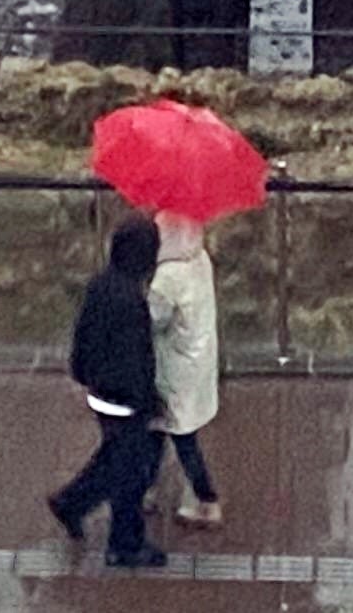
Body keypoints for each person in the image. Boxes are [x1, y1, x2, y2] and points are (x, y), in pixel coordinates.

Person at [48, 218, 168, 568]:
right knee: (132, 470)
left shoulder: (100, 286)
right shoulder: (131, 301)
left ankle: (72, 503)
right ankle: (124, 544)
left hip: (100, 391)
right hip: (125, 399)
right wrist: (148, 401)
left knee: (115, 457)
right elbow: (135, 360)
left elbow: (83, 339)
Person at [147, 213, 223, 526]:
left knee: (180, 435)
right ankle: (147, 487)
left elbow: (154, 319)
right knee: (159, 428)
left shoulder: (167, 277)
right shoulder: (200, 260)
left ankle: (206, 500)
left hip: (172, 367)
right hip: (198, 359)